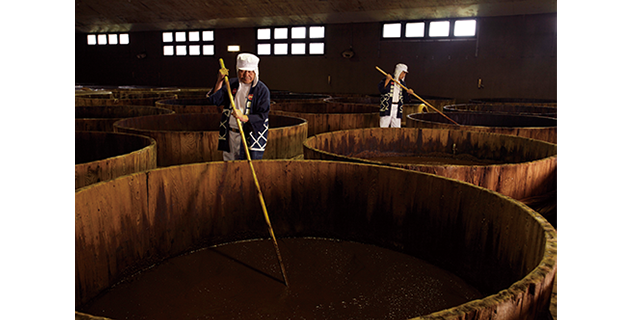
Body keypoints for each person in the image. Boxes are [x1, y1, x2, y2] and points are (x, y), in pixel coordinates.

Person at [207, 53, 270, 160]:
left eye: (250, 71)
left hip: (249, 133)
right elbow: (215, 100)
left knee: (246, 166)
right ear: (237, 70)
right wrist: (220, 80)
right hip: (230, 133)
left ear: (255, 72)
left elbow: (262, 115)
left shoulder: (261, 90)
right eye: (242, 71)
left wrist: (243, 117)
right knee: (229, 164)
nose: (246, 75)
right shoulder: (231, 84)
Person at [378, 63, 414, 128]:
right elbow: (382, 90)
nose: (403, 75)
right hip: (387, 107)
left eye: (405, 74)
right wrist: (387, 80)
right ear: (398, 71)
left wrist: (409, 93)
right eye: (402, 73)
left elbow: (406, 98)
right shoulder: (389, 79)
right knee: (384, 126)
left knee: (396, 127)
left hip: (397, 108)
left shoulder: (402, 84)